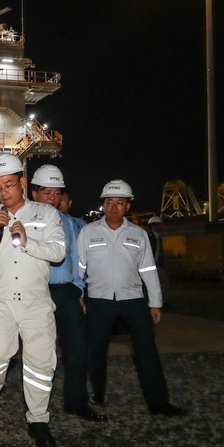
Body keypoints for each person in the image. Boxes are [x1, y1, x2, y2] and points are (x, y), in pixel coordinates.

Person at [0, 153, 65, 447]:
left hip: (36, 303)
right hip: (0, 302)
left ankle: (38, 420)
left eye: (9, 185)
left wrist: (27, 240)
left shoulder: (46, 214)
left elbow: (58, 252)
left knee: (39, 364)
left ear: (22, 182)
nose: (3, 192)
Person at [77, 180, 186, 417]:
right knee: (96, 351)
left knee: (147, 352)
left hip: (133, 300)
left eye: (119, 202)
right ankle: (96, 395)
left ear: (127, 206)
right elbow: (80, 268)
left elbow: (148, 269)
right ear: (103, 205)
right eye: (109, 202)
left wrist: (155, 302)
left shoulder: (138, 235)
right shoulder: (88, 232)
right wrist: (80, 296)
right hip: (99, 300)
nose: (113, 207)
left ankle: (158, 403)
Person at [30, 165, 107, 423]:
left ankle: (76, 402)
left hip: (67, 293)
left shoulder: (72, 225)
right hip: (37, 292)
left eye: (56, 193)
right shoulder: (24, 220)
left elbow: (78, 260)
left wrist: (81, 291)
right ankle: (37, 408)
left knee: (77, 348)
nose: (52, 198)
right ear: (34, 194)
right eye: (46, 192)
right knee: (38, 352)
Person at [147, 216, 170, 307]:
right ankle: (163, 302)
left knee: (157, 283)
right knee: (164, 281)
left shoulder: (158, 238)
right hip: (150, 264)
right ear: (154, 226)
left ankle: (158, 302)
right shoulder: (149, 237)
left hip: (155, 264)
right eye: (159, 225)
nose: (161, 227)